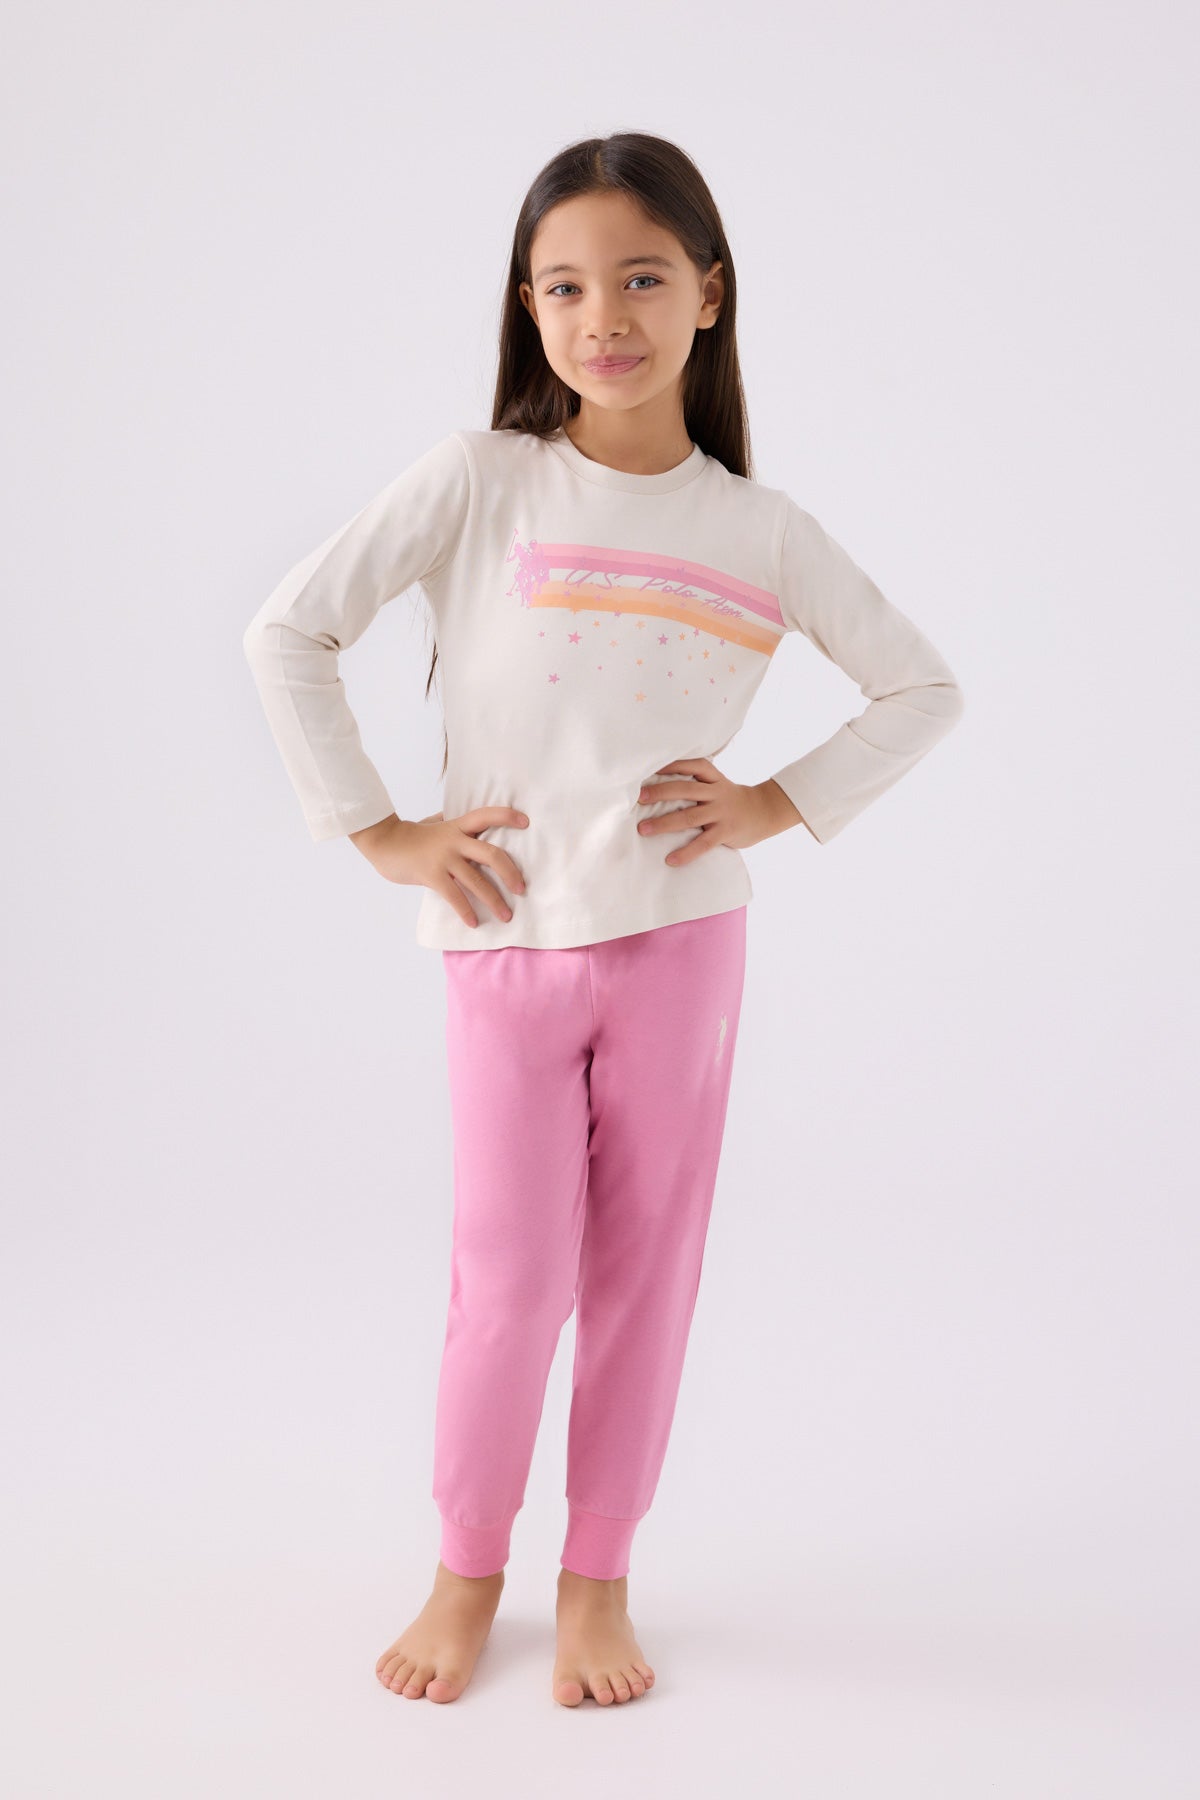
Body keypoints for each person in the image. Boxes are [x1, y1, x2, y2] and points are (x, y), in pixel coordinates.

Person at [241, 131, 965, 1710]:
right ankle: (465, 1572)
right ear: (529, 306)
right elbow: (289, 632)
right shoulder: (480, 480)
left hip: (681, 950)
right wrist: (381, 831)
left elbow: (923, 688)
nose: (604, 316)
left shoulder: (762, 531)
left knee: (648, 1274)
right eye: (564, 286)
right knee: (510, 1277)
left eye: (641, 278)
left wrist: (775, 803)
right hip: (502, 939)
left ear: (709, 293)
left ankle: (598, 1581)